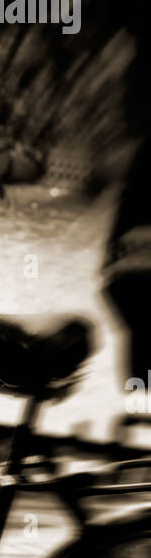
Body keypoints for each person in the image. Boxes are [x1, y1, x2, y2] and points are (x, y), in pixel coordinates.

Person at [103, 135, 151, 393]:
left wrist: (108, 257)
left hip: (128, 271)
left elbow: (127, 202)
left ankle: (138, 391)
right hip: (134, 272)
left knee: (139, 332)